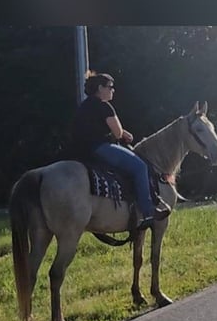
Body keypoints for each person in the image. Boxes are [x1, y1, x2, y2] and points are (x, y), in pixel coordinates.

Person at [70, 71, 169, 230]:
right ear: (100, 88)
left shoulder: (84, 105)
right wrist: (122, 134)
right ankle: (148, 210)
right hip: (100, 148)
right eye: (110, 87)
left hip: (80, 152)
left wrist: (122, 133)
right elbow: (117, 133)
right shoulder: (104, 106)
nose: (112, 90)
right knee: (140, 167)